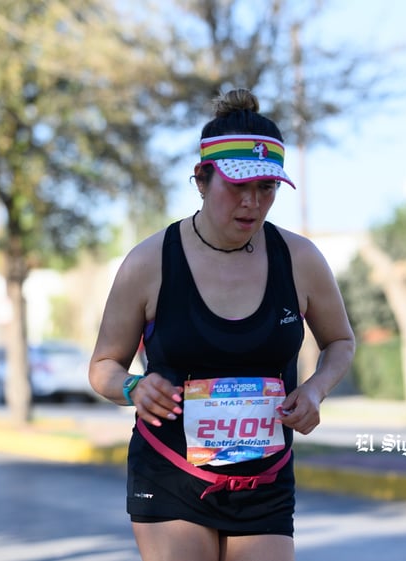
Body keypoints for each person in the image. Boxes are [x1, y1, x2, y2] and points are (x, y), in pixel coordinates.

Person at [88, 88, 355, 561]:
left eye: (267, 189)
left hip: (265, 478)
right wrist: (132, 388)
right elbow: (104, 365)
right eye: (238, 186)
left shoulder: (299, 259)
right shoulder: (150, 262)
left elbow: (340, 342)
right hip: (169, 474)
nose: (252, 204)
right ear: (201, 180)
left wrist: (315, 391)